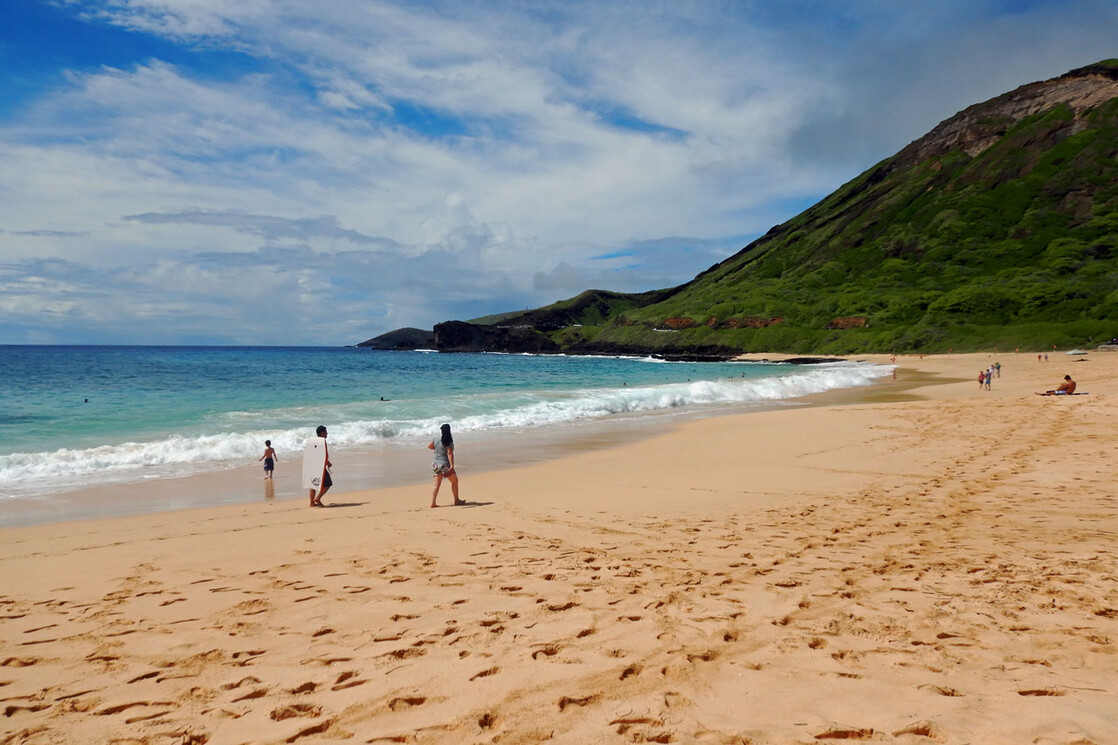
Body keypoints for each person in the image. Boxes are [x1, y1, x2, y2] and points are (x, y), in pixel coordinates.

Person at [428, 423, 463, 508]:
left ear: (441, 431)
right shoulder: (448, 440)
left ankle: (433, 503)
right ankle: (456, 500)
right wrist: (452, 465)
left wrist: (437, 449)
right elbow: (449, 453)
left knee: (436, 484)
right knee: (455, 481)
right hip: (444, 465)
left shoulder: (436, 438)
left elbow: (429, 446)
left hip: (435, 465)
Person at [309, 425, 332, 507]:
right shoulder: (322, 441)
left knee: (314, 484)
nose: (327, 433)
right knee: (328, 484)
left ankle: (311, 503)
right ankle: (317, 498)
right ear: (322, 433)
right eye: (326, 432)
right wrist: (327, 463)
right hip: (319, 466)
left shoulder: (313, 441)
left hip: (313, 465)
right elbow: (322, 455)